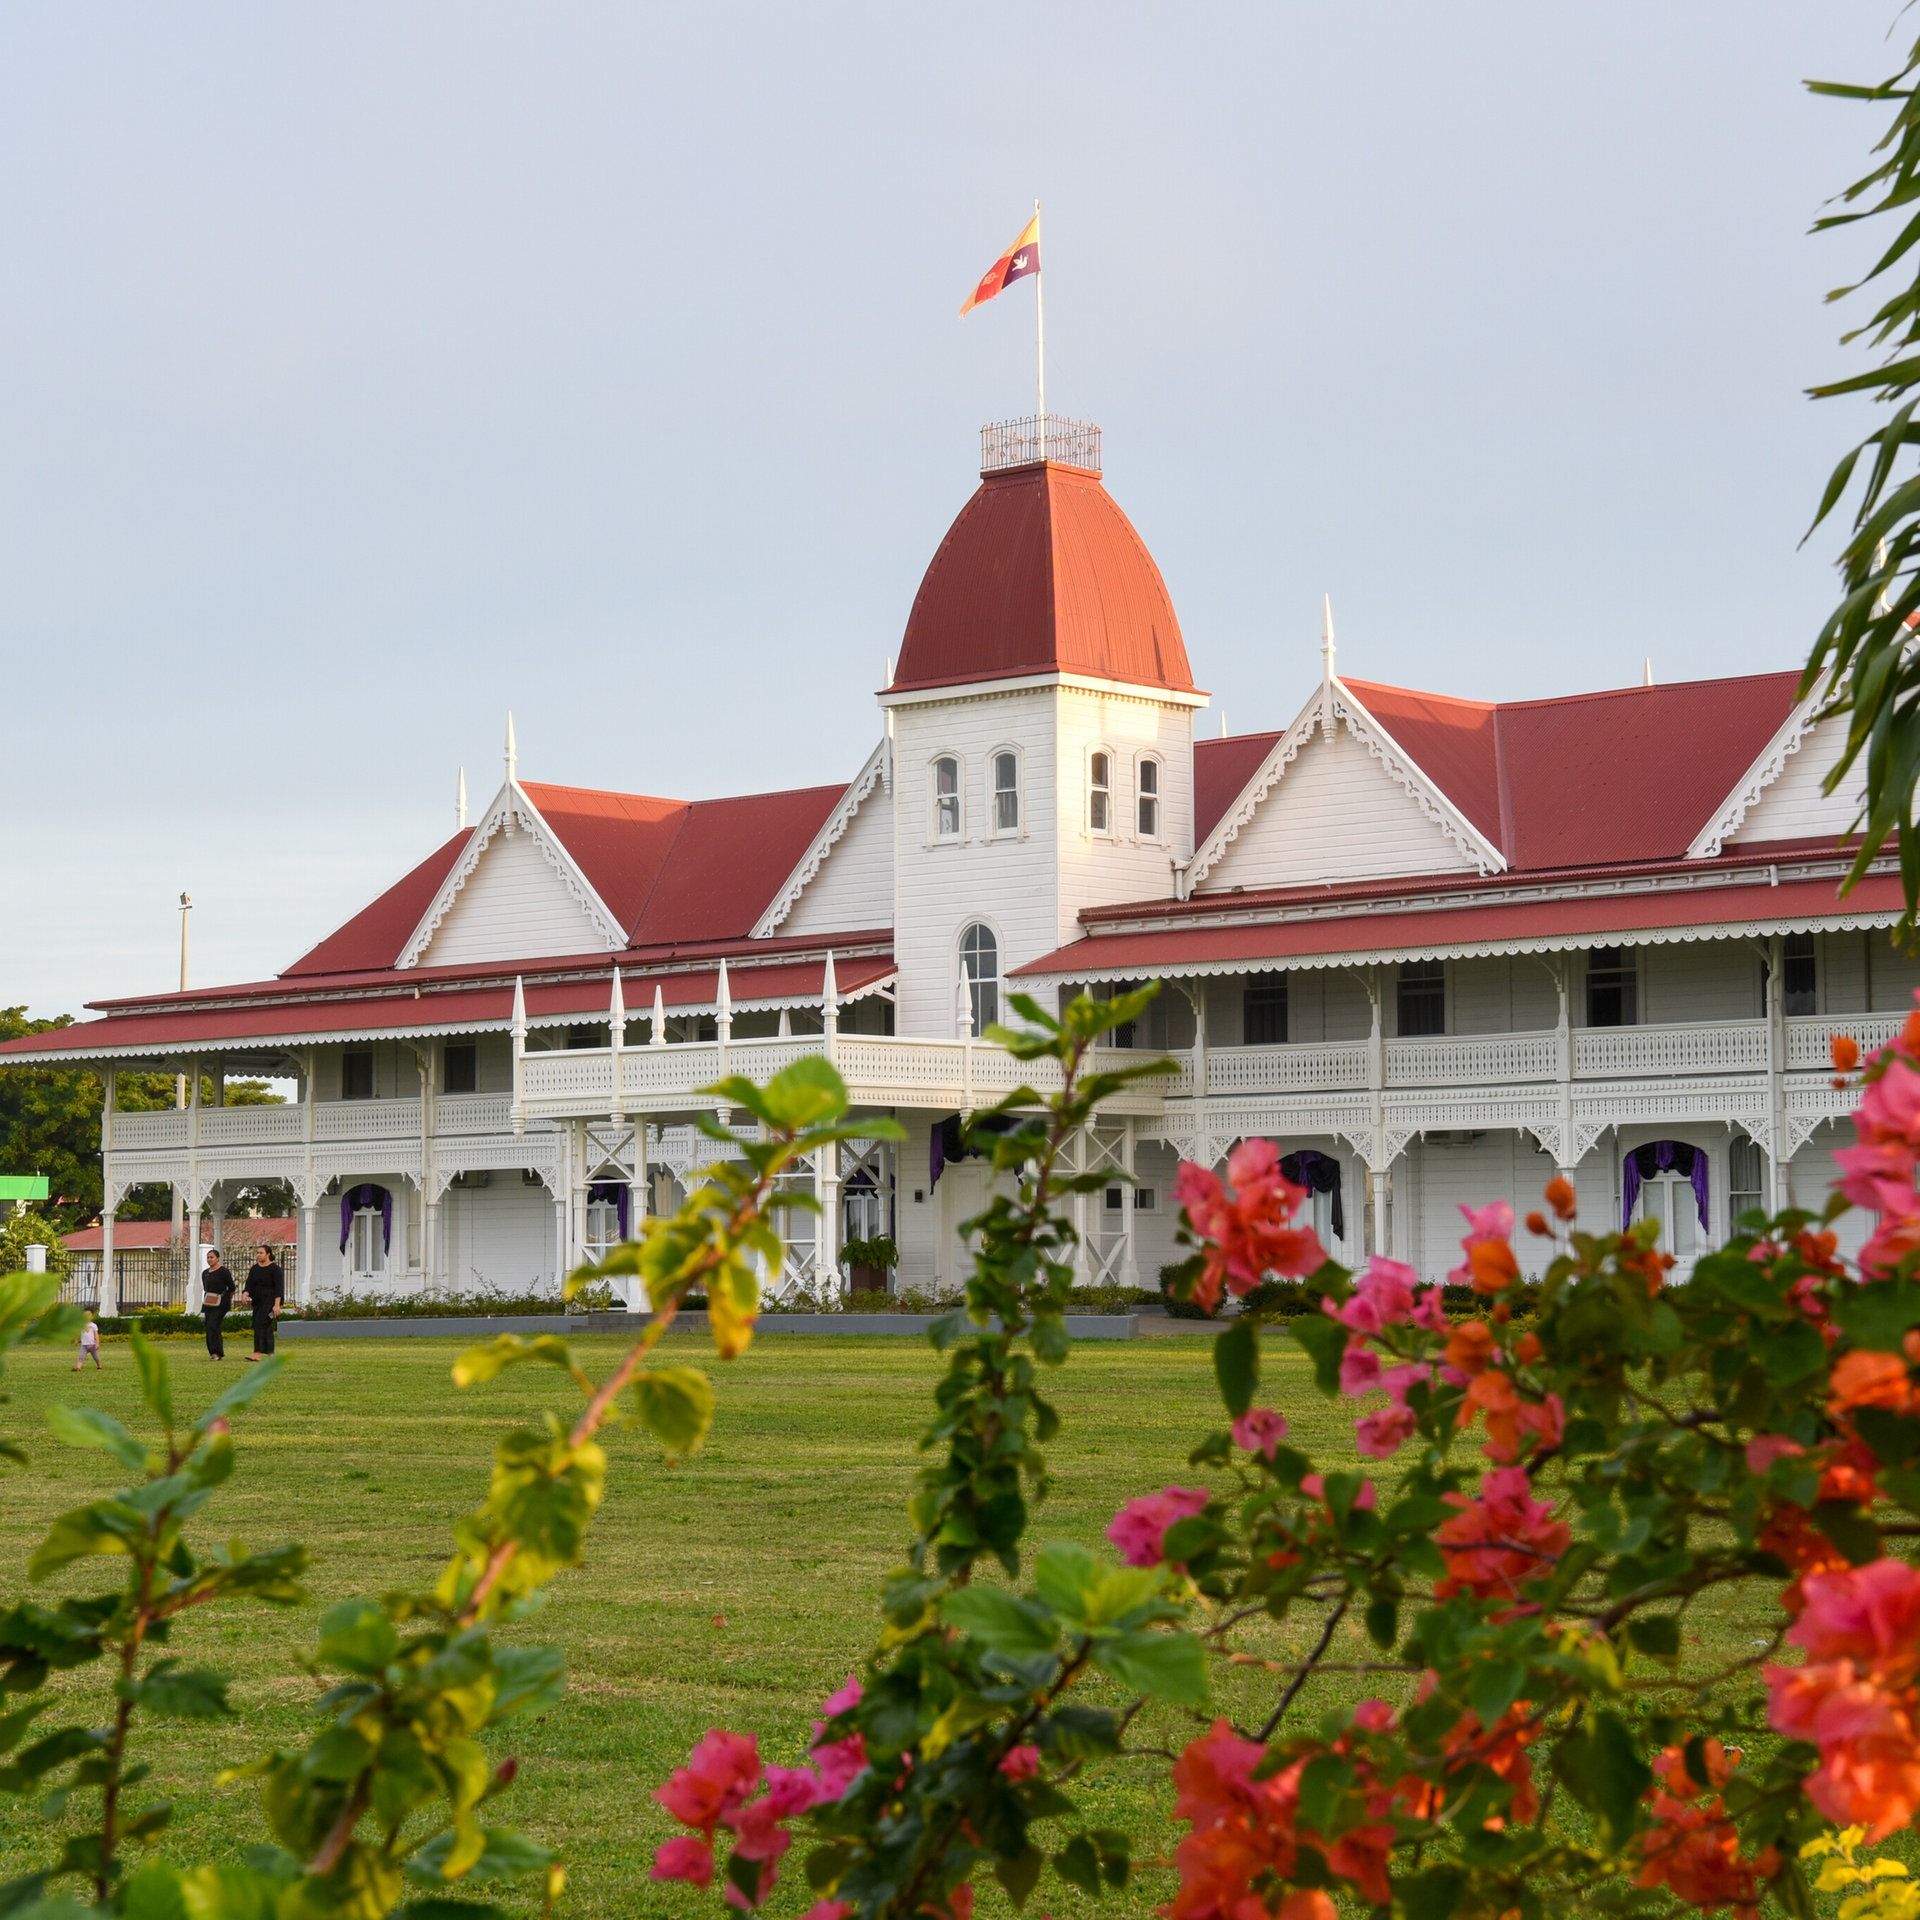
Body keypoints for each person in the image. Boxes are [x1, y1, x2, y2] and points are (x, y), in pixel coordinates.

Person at [244, 1245, 283, 1361]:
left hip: (270, 1302)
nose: (258, 1255)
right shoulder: (255, 1269)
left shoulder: (275, 1269)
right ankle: (270, 1352)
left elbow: (279, 1288)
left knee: (260, 1324)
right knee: (266, 1326)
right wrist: (245, 1293)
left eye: (261, 1253)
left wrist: (277, 1305)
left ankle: (257, 1352)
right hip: (258, 1301)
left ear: (268, 1254)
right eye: (257, 1253)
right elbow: (249, 1283)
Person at [200, 1245, 236, 1359]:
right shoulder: (205, 1273)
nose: (209, 1259)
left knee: (213, 1325)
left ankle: (216, 1352)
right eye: (208, 1257)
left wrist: (225, 1298)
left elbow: (231, 1287)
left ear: (217, 1258)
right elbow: (205, 1287)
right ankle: (213, 1352)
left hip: (221, 1303)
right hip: (208, 1302)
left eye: (212, 1257)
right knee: (210, 1326)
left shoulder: (223, 1271)